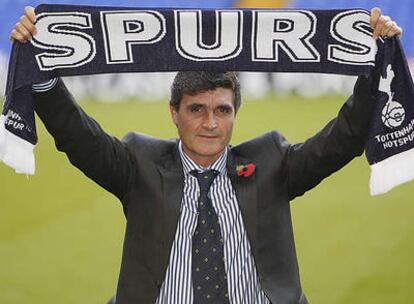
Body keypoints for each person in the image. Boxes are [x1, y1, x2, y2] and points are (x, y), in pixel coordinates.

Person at [10, 6, 402, 304]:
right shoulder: (138, 164)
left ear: (235, 113)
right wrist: (37, 63)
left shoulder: (271, 162)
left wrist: (377, 68)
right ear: (174, 113)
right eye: (196, 109)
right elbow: (77, 134)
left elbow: (342, 138)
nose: (210, 123)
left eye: (222, 110)